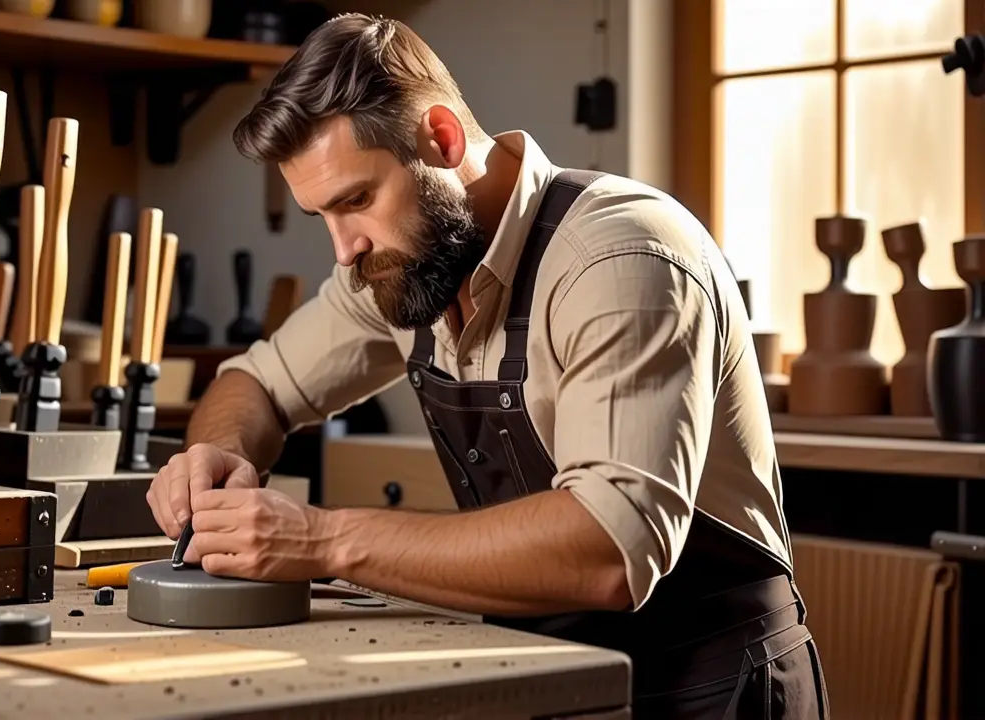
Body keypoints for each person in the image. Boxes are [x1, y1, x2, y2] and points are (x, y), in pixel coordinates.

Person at [145, 13, 829, 719]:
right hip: (556, 675)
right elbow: (252, 383)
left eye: (355, 200)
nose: (343, 249)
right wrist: (215, 454)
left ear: (441, 140)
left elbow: (609, 549)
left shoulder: (620, 258)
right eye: (322, 214)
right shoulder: (398, 268)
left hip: (707, 685)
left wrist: (322, 539)